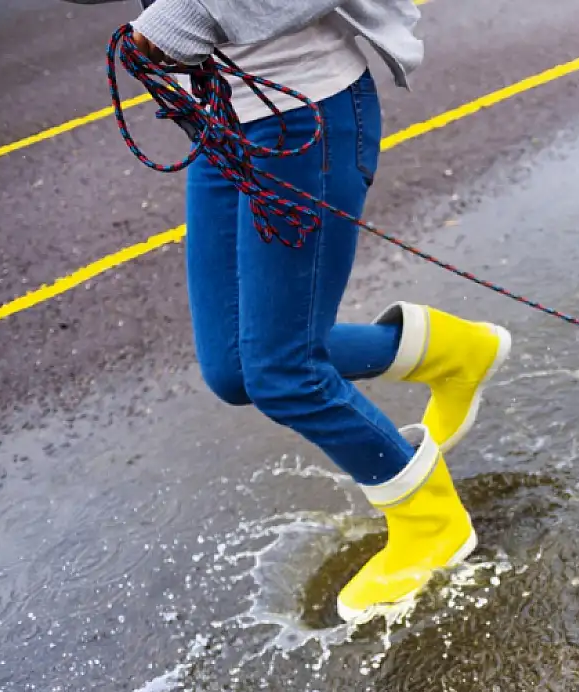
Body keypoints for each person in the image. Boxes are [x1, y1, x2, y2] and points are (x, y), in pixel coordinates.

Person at [109, 0, 512, 620]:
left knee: (282, 373)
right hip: (219, 115)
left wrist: (183, 15)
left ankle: (431, 522)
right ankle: (451, 353)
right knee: (235, 369)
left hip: (301, 115)